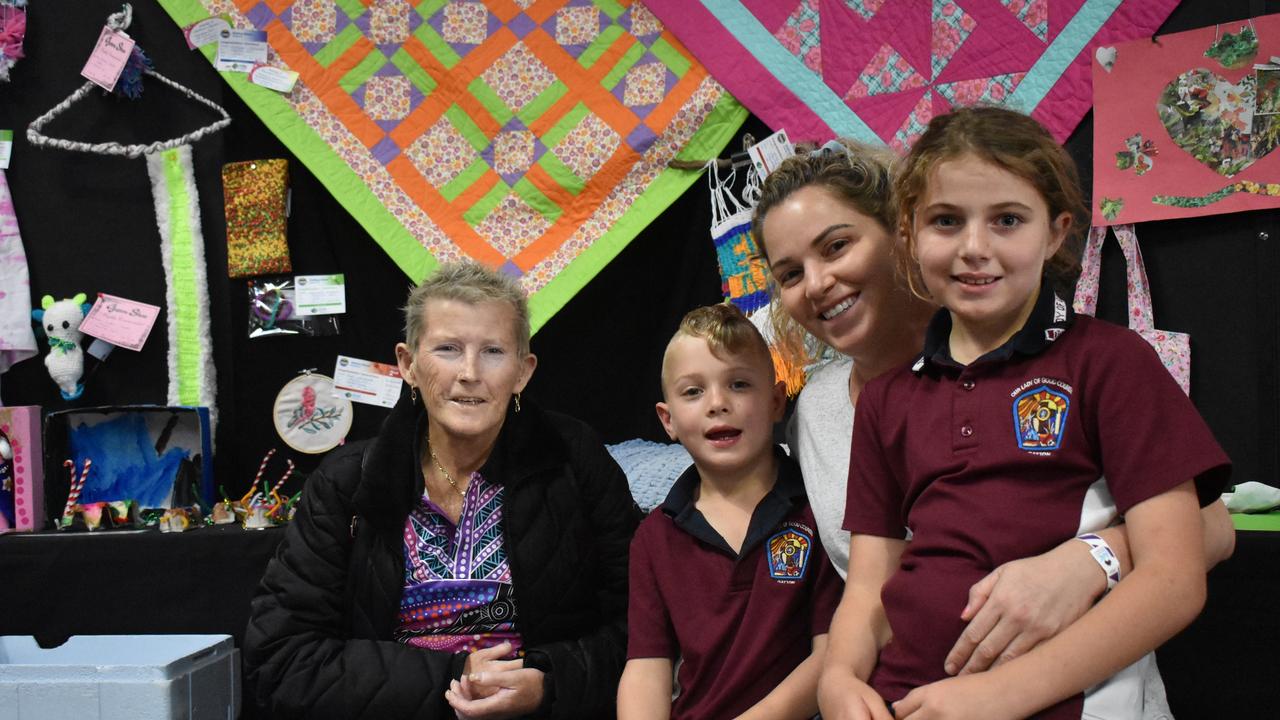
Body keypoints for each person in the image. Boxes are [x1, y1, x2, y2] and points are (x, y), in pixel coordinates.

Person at [753, 136, 1235, 689]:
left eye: (837, 247)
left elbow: (1212, 528)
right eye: (790, 273)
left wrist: (1089, 560)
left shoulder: (1069, 361)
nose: (816, 284)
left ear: (900, 236)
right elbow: (869, 589)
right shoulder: (817, 407)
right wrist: (840, 680)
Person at [244, 261, 641, 719]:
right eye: (448, 349)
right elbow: (281, 659)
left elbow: (641, 629)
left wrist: (549, 684)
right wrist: (453, 677)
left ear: (523, 371)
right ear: (408, 365)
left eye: (493, 351)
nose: (470, 372)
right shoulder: (347, 484)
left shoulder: (575, 463)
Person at [616, 303, 843, 719]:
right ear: (667, 420)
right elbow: (646, 668)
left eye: (739, 384)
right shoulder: (654, 537)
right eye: (693, 391)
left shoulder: (817, 508)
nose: (717, 403)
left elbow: (833, 655)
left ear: (776, 400)